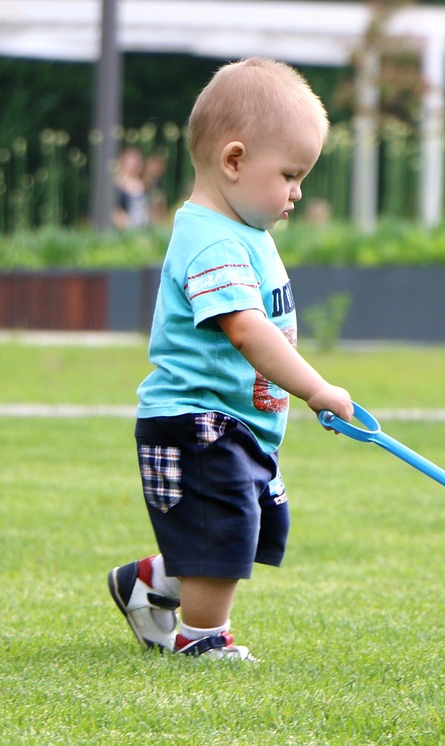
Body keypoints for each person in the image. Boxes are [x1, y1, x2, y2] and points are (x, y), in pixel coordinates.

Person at [108, 57, 354, 661]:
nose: (297, 192)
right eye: (291, 175)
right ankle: (202, 640)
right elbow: (246, 331)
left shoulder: (247, 234)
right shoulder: (212, 240)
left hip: (235, 423)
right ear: (235, 161)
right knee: (222, 531)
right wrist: (316, 388)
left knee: (249, 529)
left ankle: (149, 581)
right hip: (198, 421)